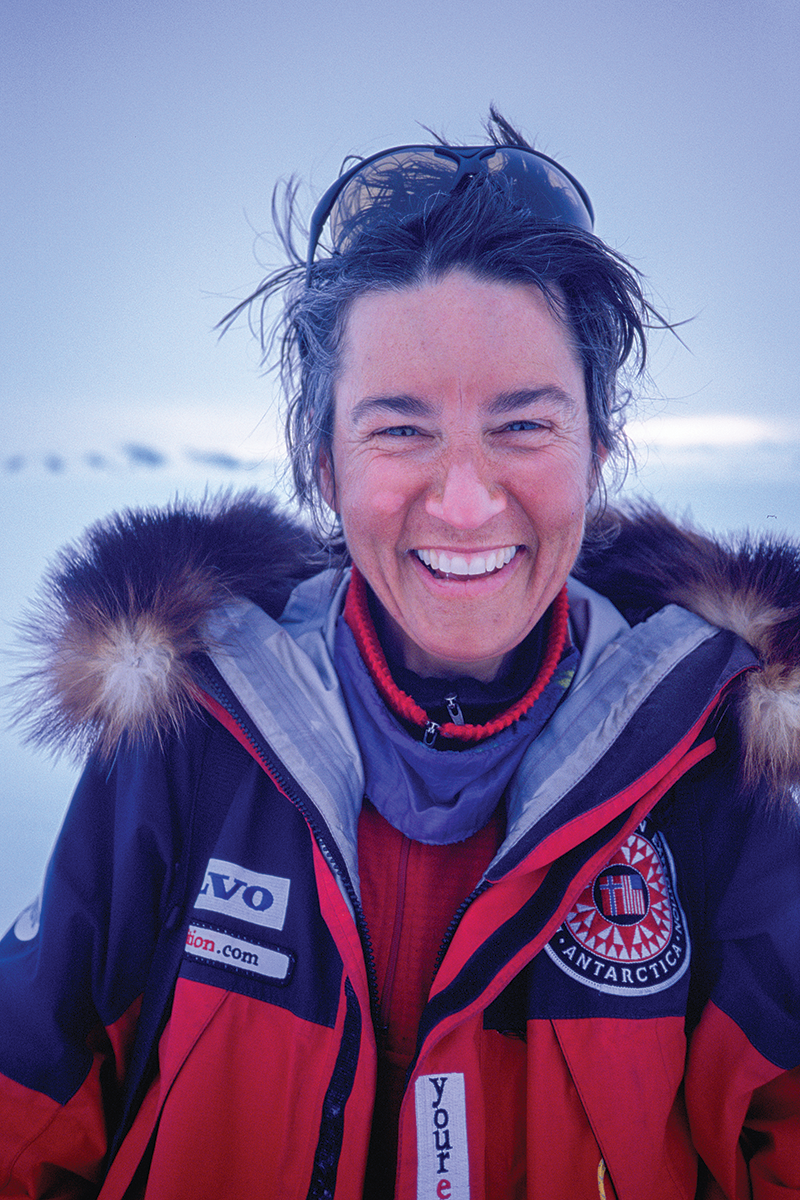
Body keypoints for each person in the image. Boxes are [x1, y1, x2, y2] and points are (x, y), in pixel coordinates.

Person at [1, 109, 799, 1200]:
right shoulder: (187, 736)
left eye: (523, 426)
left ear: (596, 455)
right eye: (398, 429)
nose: (465, 504)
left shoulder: (717, 774)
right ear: (322, 465)